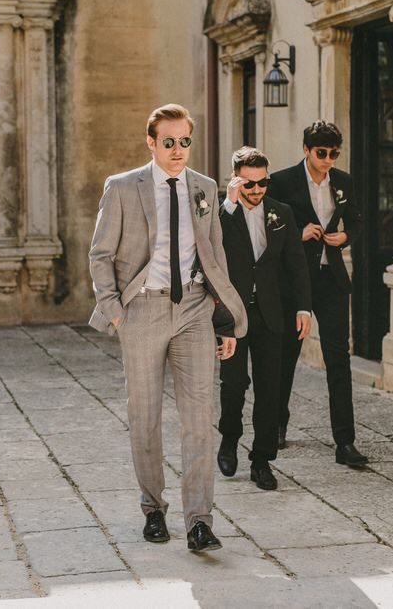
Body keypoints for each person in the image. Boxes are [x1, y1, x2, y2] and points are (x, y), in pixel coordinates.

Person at [88, 103, 247, 553]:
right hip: (141, 311)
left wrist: (225, 321)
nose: (179, 150)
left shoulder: (205, 188)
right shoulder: (121, 188)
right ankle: (153, 508)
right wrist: (115, 309)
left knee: (199, 420)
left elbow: (215, 256)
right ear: (151, 142)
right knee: (146, 417)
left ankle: (199, 520)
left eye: (185, 141)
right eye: (170, 141)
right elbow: (100, 255)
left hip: (194, 309)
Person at [268, 121, 367, 468]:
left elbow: (356, 219)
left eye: (334, 154)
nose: (328, 160)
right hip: (297, 283)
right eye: (322, 153)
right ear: (307, 150)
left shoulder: (343, 182)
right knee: (286, 355)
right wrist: (297, 233)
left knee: (339, 359)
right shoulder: (281, 181)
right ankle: (277, 423)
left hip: (333, 281)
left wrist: (346, 237)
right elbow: (268, 227)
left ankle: (345, 442)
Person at [217, 147, 311, 491]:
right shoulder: (219, 209)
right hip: (233, 315)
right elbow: (211, 248)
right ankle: (229, 439)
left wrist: (303, 307)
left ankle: (262, 460)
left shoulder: (281, 212)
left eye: (262, 183)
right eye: (249, 184)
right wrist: (229, 205)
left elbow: (296, 264)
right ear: (235, 181)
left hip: (272, 314)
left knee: (270, 389)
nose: (257, 191)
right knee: (234, 385)